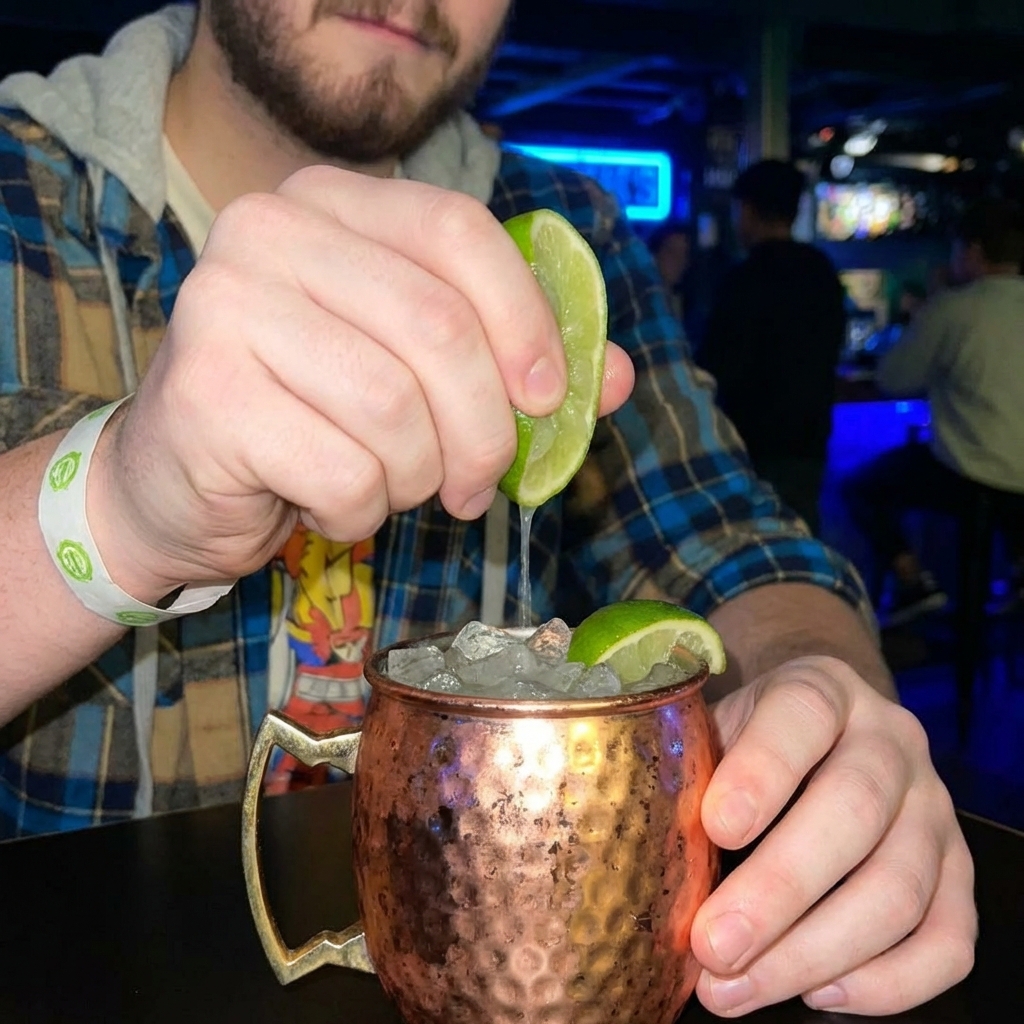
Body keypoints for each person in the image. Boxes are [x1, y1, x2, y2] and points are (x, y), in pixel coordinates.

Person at [0, 2, 973, 1017]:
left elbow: (722, 540)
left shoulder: (566, 232)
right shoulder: (16, 193)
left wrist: (825, 706)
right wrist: (112, 504)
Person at [843, 200, 1024, 624]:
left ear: (973, 251)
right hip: (1017, 483)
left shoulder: (955, 306)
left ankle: (914, 583)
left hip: (972, 475)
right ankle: (1018, 571)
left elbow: (894, 377)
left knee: (860, 489)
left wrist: (930, 308)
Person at [697, 160, 847, 535]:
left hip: (751, 441)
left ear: (747, 210)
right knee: (800, 538)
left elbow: (716, 365)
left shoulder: (742, 279)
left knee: (751, 542)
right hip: (809, 437)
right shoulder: (821, 270)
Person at [647, 220, 692, 325]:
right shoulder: (641, 303)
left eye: (684, 254)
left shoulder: (690, 308)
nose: (678, 260)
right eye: (672, 252)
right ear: (655, 254)